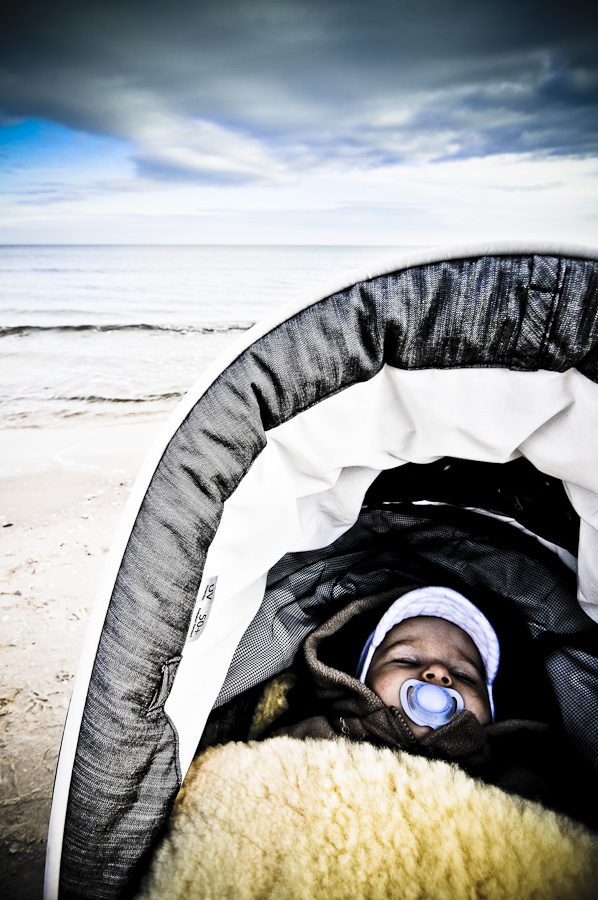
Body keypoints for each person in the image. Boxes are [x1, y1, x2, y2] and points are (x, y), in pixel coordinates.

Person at [256, 585, 597, 830]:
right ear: (361, 682)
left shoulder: (517, 772)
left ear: (492, 712)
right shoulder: (320, 737)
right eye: (406, 659)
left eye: (464, 674)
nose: (438, 672)